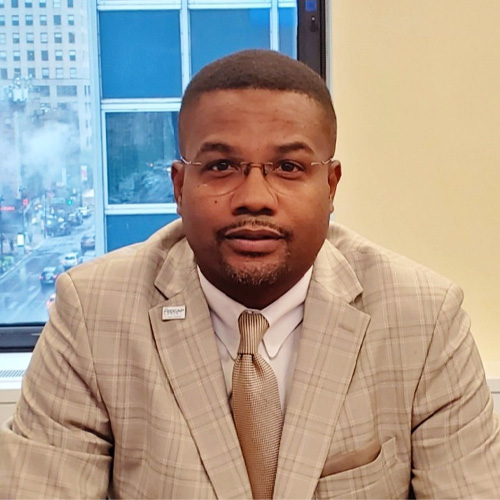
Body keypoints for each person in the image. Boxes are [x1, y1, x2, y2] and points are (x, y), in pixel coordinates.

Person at [1, 49, 499, 499]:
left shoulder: (425, 319)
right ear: (179, 185)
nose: (254, 197)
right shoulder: (93, 313)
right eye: (221, 166)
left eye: (287, 167)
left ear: (330, 185)